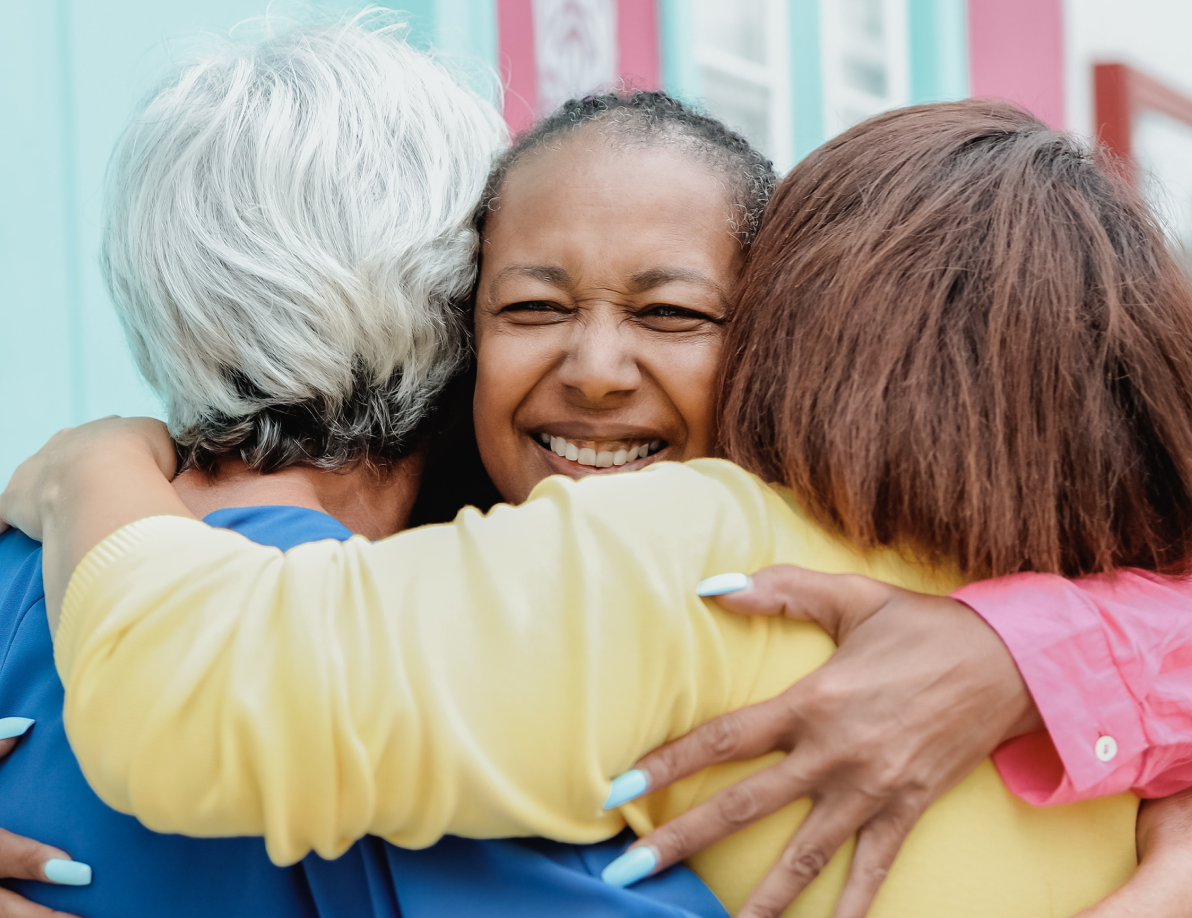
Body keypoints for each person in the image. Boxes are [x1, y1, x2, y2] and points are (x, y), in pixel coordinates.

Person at [9, 100, 1191, 917]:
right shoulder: (1081, 586)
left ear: (787, 321)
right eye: (528, 306)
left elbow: (192, 688)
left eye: (676, 316)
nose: (595, 367)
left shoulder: (691, 551)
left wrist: (84, 467)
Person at [0, 15, 728, 918]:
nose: (588, 363)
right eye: (533, 294)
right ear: (452, 297)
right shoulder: (402, 652)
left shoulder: (27, 556)